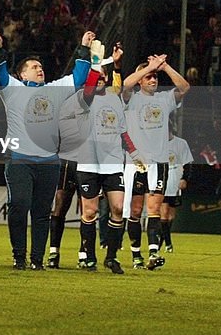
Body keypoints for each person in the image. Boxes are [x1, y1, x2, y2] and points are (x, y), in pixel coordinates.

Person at [0, 31, 93, 270]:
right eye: (33, 66)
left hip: (49, 162)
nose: (39, 69)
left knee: (42, 213)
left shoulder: (55, 89)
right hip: (19, 159)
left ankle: (37, 261)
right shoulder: (13, 88)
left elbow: (80, 76)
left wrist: (83, 47)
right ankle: (19, 256)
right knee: (19, 206)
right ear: (22, 74)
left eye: (40, 66)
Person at [63, 51, 135, 274]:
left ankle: (111, 257)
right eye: (98, 75)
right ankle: (89, 256)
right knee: (90, 212)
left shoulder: (115, 98)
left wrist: (134, 152)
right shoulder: (84, 98)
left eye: (105, 74)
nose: (101, 77)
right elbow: (90, 86)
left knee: (118, 207)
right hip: (88, 163)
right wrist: (95, 64)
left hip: (113, 163)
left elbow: (122, 131)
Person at [121, 54, 190, 270]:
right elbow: (126, 84)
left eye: (155, 77)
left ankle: (153, 252)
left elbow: (185, 87)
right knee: (134, 210)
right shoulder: (131, 98)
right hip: (136, 163)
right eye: (149, 77)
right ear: (141, 79)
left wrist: (165, 66)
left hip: (159, 162)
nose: (153, 80)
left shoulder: (164, 99)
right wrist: (148, 67)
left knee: (154, 208)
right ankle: (135, 255)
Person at [161, 132, 194, 252]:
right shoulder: (157, 143)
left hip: (175, 181)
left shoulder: (181, 143)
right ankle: (168, 244)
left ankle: (162, 241)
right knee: (164, 213)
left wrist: (184, 178)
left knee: (171, 215)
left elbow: (188, 163)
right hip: (162, 182)